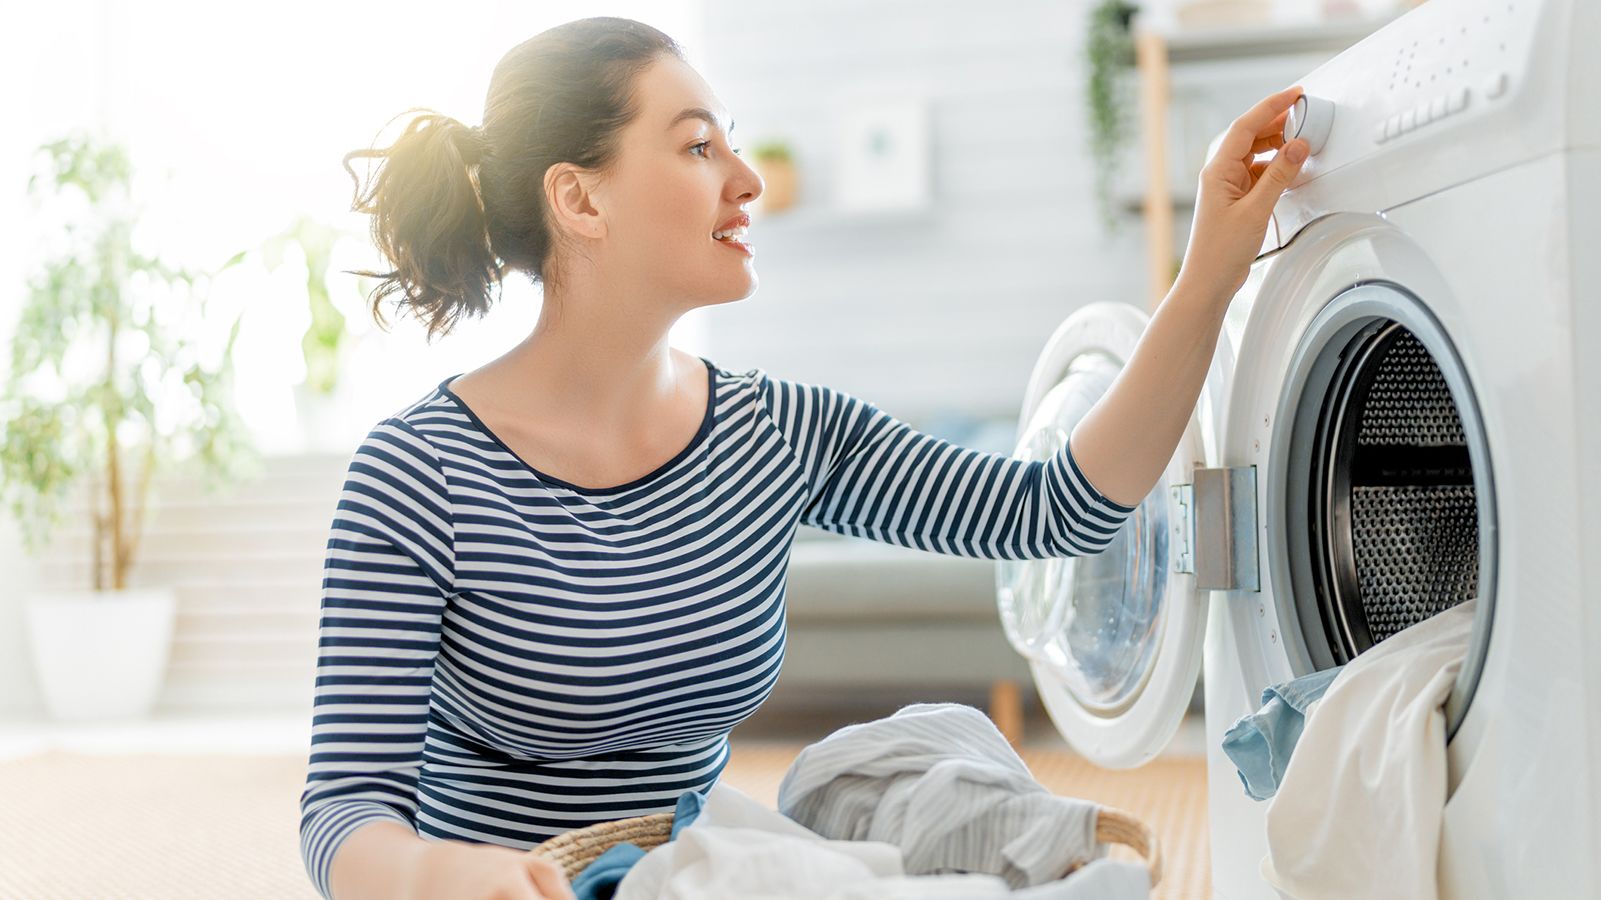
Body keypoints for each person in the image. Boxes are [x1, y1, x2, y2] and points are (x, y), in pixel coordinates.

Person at [298, 16, 1310, 900]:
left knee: (908, 760)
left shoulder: (774, 433)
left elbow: (1053, 512)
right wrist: (439, 876)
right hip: (512, 890)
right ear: (579, 199)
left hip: (689, 877)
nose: (745, 181)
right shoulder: (415, 477)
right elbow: (346, 811)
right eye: (697, 148)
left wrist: (1208, 271)